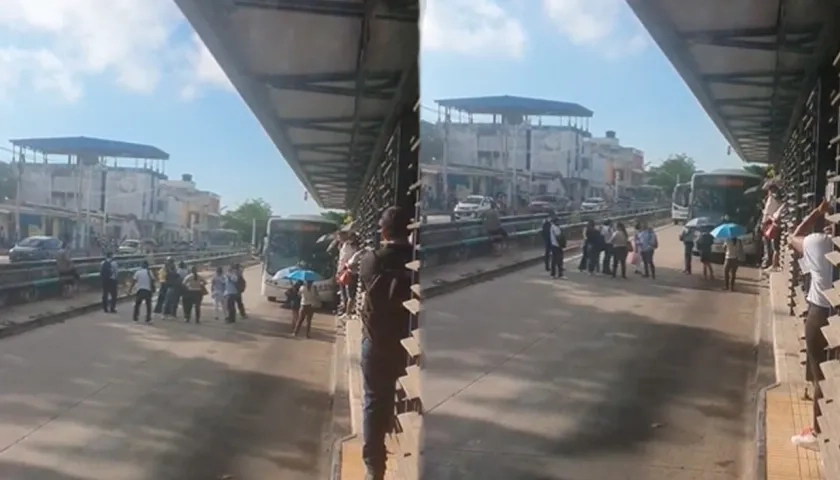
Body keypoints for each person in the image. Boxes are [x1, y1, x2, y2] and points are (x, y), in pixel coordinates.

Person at [358, 206, 413, 480]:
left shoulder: (372, 259)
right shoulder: (416, 259)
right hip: (408, 341)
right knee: (406, 392)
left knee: (373, 401)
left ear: (383, 230)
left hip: (377, 339)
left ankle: (374, 468)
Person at [789, 200, 834, 452]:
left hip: (820, 313)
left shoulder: (818, 242)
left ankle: (817, 433)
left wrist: (817, 211)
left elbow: (793, 236)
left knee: (820, 373)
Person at [761, 180, 784, 271]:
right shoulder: (778, 199)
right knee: (772, 244)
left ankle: (771, 263)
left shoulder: (772, 199)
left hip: (770, 223)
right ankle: (771, 263)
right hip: (773, 222)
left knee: (770, 244)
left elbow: (768, 212)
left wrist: (764, 222)